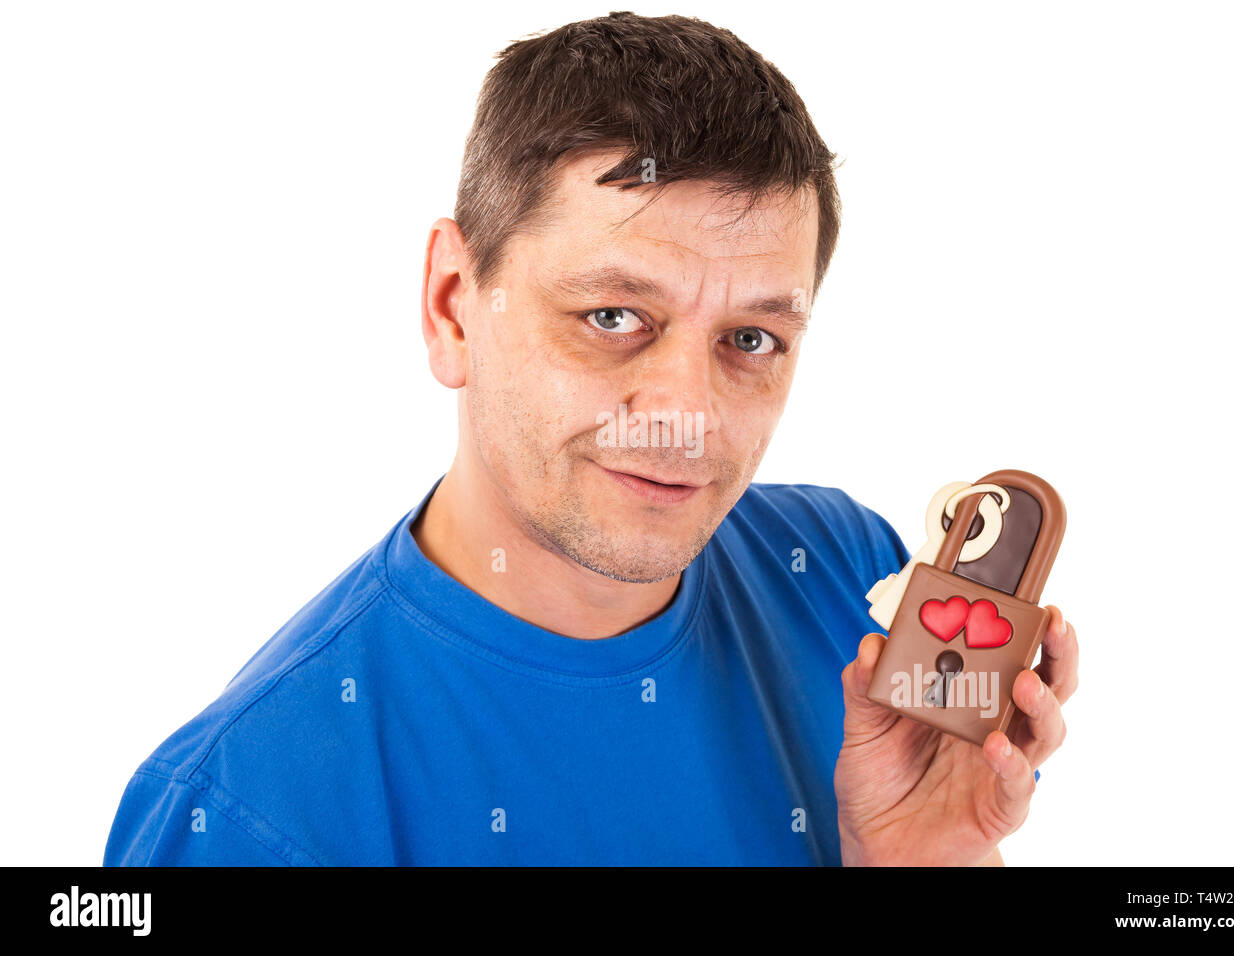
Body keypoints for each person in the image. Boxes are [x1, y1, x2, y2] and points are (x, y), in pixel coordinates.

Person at [104, 10, 1077, 866]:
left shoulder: (843, 577)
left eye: (750, 338)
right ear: (452, 306)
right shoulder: (246, 810)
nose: (686, 413)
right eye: (614, 315)